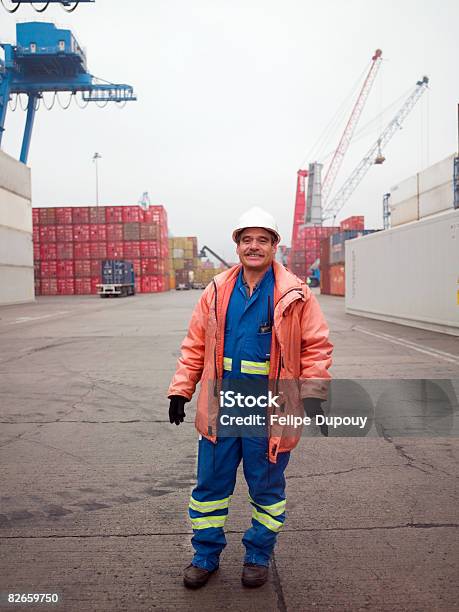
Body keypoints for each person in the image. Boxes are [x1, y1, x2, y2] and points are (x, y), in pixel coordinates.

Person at [168, 206, 333, 589]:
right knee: (210, 488)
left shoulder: (295, 294)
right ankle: (205, 556)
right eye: (247, 240)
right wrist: (181, 389)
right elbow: (194, 345)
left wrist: (312, 394)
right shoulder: (215, 291)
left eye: (262, 239)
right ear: (237, 245)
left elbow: (317, 347)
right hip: (221, 405)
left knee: (267, 489)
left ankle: (258, 555)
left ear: (275, 245)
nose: (253, 246)